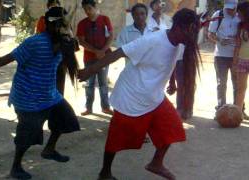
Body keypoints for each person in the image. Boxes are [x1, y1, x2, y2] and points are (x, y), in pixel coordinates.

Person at [78, 8, 201, 180]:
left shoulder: (181, 44)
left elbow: (171, 62)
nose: (193, 36)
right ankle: (105, 172)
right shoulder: (152, 40)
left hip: (154, 96)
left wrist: (172, 82)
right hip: (131, 96)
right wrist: (89, 70)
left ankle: (156, 163)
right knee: (116, 138)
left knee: (172, 128)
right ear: (179, 27)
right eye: (191, 31)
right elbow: (119, 53)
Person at [0, 7, 80, 179]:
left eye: (62, 25)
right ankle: (16, 167)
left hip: (49, 95)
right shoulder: (35, 42)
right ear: (47, 24)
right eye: (57, 24)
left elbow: (68, 67)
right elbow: (10, 57)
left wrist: (71, 50)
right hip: (27, 98)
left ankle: (49, 149)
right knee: (27, 134)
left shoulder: (64, 44)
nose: (60, 28)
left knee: (66, 118)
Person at [208, 0, 249, 119]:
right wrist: (219, 40)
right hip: (221, 55)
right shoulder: (218, 15)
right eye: (228, 8)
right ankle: (221, 110)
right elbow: (210, 34)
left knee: (238, 85)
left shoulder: (242, 16)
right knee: (222, 83)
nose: (230, 11)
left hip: (239, 56)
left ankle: (239, 110)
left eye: (232, 8)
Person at [77, 0, 114, 116]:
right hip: (89, 58)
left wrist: (102, 51)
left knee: (103, 83)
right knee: (89, 83)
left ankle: (105, 107)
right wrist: (95, 51)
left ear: (95, 7)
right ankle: (88, 108)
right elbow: (81, 41)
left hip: (104, 57)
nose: (87, 11)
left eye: (89, 8)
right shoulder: (82, 23)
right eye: (85, 9)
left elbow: (111, 36)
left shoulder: (105, 19)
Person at [233, 1, 249, 116]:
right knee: (240, 89)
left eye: (239, 11)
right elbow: (238, 44)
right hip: (242, 60)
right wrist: (235, 61)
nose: (237, 14)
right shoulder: (240, 25)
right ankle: (238, 114)